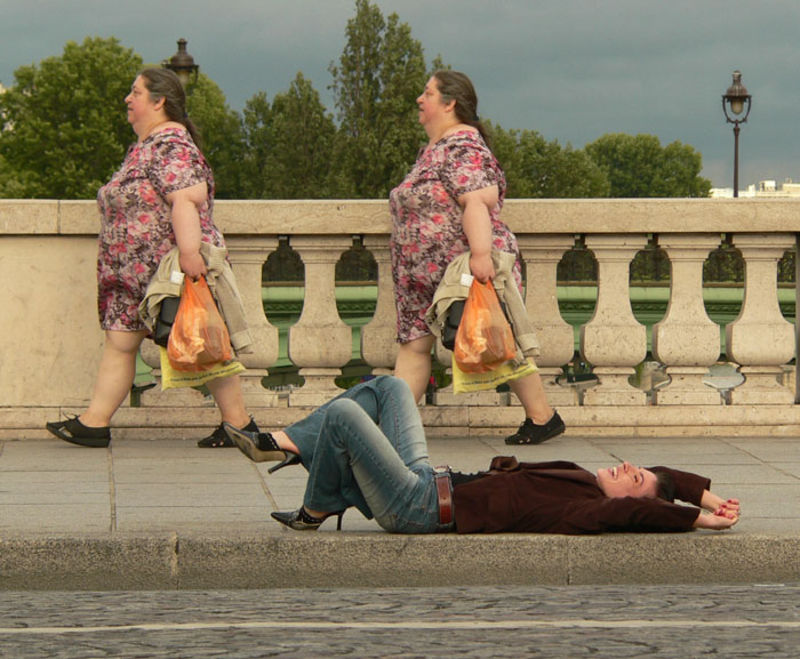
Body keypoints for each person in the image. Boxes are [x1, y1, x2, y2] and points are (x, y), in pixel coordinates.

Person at [224, 376, 740, 534]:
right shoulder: (583, 480)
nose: (628, 468)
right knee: (389, 388)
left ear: (628, 502)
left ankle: (317, 504)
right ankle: (289, 445)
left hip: (417, 507)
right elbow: (662, 479)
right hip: (426, 479)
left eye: (634, 478)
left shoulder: (587, 510)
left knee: (343, 416)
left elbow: (641, 512)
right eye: (636, 467)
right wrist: (707, 496)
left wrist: (697, 520)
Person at [46, 68, 257, 449]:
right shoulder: (145, 147)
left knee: (202, 342)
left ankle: (240, 424)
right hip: (132, 278)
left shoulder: (171, 146)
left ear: (159, 101)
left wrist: (190, 256)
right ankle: (94, 422)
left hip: (165, 274)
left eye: (136, 92)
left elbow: (187, 199)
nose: (127, 99)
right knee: (120, 342)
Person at [389, 70, 564, 445]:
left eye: (428, 93)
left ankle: (543, 417)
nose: (420, 99)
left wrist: (482, 256)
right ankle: (393, 426)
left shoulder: (463, 146)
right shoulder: (435, 149)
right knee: (414, 345)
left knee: (498, 340)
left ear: (449, 103)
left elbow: (478, 201)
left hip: (462, 269)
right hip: (422, 277)